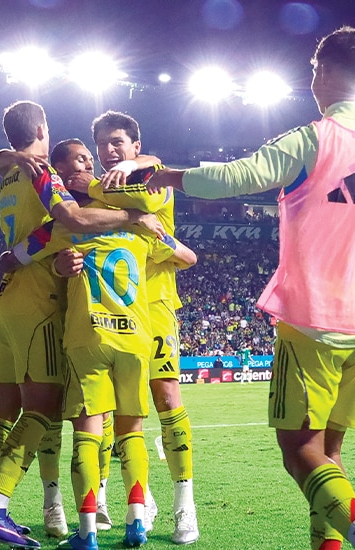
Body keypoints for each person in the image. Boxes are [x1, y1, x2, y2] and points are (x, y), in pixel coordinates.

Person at [140, 25, 355, 550]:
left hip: (312, 320)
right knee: (328, 453)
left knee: (298, 451)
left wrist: (167, 175)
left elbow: (237, 176)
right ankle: (330, 544)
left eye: (314, 71)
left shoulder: (311, 138)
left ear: (321, 72)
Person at [0, 100, 162, 549]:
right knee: (43, 411)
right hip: (41, 303)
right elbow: (70, 220)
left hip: (10, 300)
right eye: (82, 156)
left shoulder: (9, 174)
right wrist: (134, 219)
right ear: (42, 129)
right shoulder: (43, 175)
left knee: (3, 411)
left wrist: (12, 257)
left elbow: (13, 250)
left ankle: (2, 505)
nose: (90, 163)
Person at [91, 111, 200, 544]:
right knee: (121, 413)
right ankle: (139, 499)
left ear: (136, 146)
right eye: (102, 144)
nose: (109, 150)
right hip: (113, 310)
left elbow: (141, 191)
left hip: (155, 307)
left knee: (168, 397)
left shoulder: (151, 179)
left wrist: (130, 169)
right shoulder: (98, 192)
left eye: (118, 142)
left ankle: (184, 507)